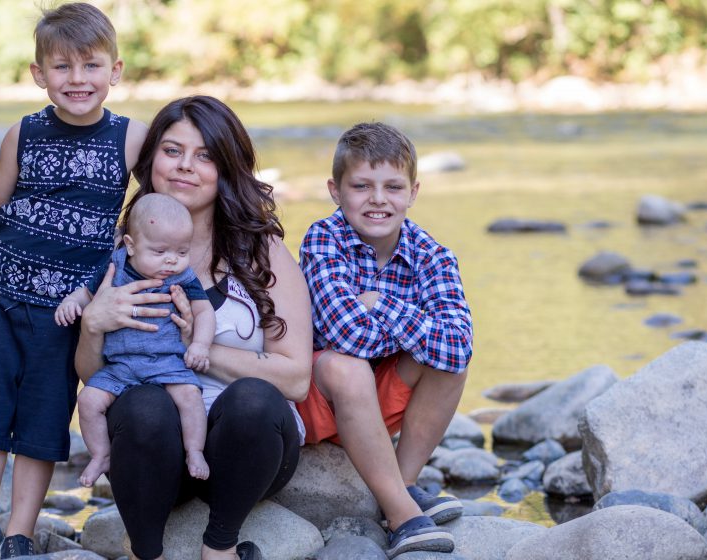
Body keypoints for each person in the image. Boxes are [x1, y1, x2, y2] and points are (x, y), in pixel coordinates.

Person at [0, 3, 146, 558]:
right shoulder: (24, 133)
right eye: (62, 67)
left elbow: (159, 207)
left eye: (91, 66)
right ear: (39, 74)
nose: (77, 80)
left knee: (42, 420)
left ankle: (19, 533)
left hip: (65, 313)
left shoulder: (131, 139)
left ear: (116, 71)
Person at [75, 95, 312, 560]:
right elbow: (91, 375)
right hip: (153, 452)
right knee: (142, 404)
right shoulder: (119, 255)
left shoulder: (262, 253)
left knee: (254, 397)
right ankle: (149, 550)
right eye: (172, 150)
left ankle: (219, 544)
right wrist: (92, 325)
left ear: (226, 169)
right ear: (151, 161)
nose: (186, 166)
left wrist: (200, 349)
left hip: (242, 450)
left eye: (205, 156)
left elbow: (297, 378)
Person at [296, 122, 474, 558]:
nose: (378, 199)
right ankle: (401, 515)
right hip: (320, 400)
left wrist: (381, 304)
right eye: (361, 186)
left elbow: (458, 345)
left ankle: (405, 484)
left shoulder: (431, 254)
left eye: (393, 186)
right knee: (345, 363)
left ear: (413, 192)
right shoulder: (324, 239)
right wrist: (412, 326)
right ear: (336, 191)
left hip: (379, 403)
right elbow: (345, 335)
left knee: (449, 364)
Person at [55, 193, 216, 487]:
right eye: (160, 252)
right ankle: (101, 455)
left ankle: (195, 451)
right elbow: (87, 293)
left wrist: (200, 345)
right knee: (88, 401)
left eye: (182, 252)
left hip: (167, 362)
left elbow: (204, 311)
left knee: (191, 397)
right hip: (120, 366)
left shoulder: (183, 277)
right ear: (130, 245)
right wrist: (71, 302)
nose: (172, 260)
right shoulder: (113, 268)